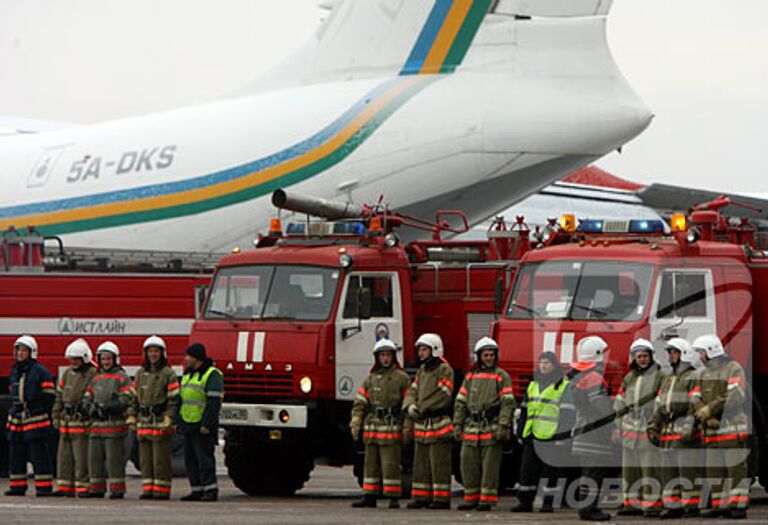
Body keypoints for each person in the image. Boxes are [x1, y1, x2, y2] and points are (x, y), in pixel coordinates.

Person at [690, 334, 749, 519]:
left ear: (710, 351)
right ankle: (720, 505)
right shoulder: (702, 374)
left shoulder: (733, 368)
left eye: (701, 352)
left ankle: (738, 507)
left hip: (732, 429)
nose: (699, 356)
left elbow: (736, 394)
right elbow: (694, 396)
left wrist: (709, 410)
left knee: (735, 469)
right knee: (714, 470)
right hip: (711, 432)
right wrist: (705, 415)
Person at [453, 337, 515, 511]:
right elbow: (460, 403)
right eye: (485, 355)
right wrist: (457, 425)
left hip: (491, 427)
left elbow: (507, 403)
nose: (488, 358)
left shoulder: (501, 376)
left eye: (491, 355)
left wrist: (503, 425)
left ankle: (486, 500)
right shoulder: (470, 377)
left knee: (490, 468)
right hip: (471, 428)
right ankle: (471, 498)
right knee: (468, 464)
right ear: (478, 356)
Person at [349, 338, 411, 509]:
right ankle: (370, 496)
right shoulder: (371, 379)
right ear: (377, 357)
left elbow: (407, 404)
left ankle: (393, 497)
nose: (385, 358)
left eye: (388, 355)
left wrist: (406, 428)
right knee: (370, 465)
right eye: (382, 355)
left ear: (393, 357)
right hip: (372, 429)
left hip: (391, 429)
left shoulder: (402, 378)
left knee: (390, 464)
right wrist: (356, 422)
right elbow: (360, 403)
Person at [512, 350, 575, 513]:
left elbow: (567, 412)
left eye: (547, 363)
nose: (544, 366)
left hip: (551, 436)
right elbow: (525, 411)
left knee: (551, 472)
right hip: (531, 435)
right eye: (541, 362)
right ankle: (525, 502)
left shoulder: (564, 386)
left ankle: (548, 503)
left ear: (554, 366)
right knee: (527, 471)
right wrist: (520, 431)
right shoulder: (533, 385)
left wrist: (562, 434)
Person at [647, 338, 702, 519]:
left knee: (687, 471)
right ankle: (673, 506)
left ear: (684, 354)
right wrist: (653, 425)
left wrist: (689, 427)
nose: (670, 356)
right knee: (668, 472)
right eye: (670, 353)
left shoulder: (693, 377)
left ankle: (692, 507)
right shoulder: (668, 379)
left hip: (683, 431)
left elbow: (695, 405)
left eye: (674, 353)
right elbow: (659, 404)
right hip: (667, 433)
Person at [402, 333, 454, 509]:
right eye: (420, 350)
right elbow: (412, 391)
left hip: (438, 423)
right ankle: (421, 497)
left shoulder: (444, 370)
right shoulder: (422, 371)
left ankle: (441, 499)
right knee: (421, 464)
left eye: (424, 349)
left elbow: (443, 395)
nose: (421, 353)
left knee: (439, 463)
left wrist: (421, 408)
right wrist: (410, 405)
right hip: (422, 425)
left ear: (435, 350)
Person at [614, 338, 664, 517]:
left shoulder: (659, 375)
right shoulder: (629, 377)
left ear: (651, 357)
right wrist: (618, 426)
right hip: (629, 431)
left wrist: (655, 423)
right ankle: (631, 503)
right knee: (630, 469)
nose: (642, 359)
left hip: (647, 429)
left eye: (645, 356)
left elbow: (662, 401)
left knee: (649, 468)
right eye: (639, 356)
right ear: (633, 358)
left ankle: (652, 504)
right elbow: (619, 402)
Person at [569, 336, 615, 521]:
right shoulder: (594, 377)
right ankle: (589, 509)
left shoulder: (578, 377)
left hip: (582, 432)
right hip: (594, 435)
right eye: (603, 354)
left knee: (588, 473)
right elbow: (601, 408)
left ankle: (587, 507)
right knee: (594, 473)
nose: (606, 357)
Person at [4, 335, 56, 497]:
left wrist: (37, 409)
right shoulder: (15, 370)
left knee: (39, 454)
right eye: (18, 350)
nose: (20, 353)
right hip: (17, 417)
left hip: (35, 418)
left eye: (24, 350)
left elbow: (49, 395)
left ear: (32, 352)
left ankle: (44, 488)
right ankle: (17, 487)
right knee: (16, 453)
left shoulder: (40, 371)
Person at [82, 341, 134, 499]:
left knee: (114, 461)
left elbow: (126, 397)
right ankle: (96, 488)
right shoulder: (96, 377)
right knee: (94, 460)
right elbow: (87, 396)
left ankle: (117, 489)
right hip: (96, 426)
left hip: (114, 425)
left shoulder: (122, 377)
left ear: (115, 359)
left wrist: (109, 406)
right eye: (103, 359)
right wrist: (89, 407)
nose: (105, 362)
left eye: (108, 359)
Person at [132, 335, 180, 500]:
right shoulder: (140, 373)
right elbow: (133, 397)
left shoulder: (168, 373)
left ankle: (161, 490)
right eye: (150, 351)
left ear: (162, 353)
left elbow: (174, 399)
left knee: (160, 459)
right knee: (145, 460)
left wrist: (169, 417)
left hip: (160, 422)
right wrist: (132, 416)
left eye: (156, 351)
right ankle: (148, 489)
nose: (153, 354)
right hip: (144, 422)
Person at [177, 343, 223, 502]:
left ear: (196, 358)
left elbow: (213, 403)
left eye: (188, 356)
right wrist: (179, 421)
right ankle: (196, 489)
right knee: (190, 460)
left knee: (204, 459)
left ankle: (210, 489)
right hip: (188, 423)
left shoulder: (212, 374)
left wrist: (207, 424)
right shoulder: (188, 374)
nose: (185, 359)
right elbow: (181, 399)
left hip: (202, 425)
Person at [52, 338, 97, 497]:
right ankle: (64, 486)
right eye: (72, 359)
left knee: (81, 457)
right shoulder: (67, 373)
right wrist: (56, 414)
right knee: (64, 457)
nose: (74, 362)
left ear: (85, 358)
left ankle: (82, 487)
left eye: (77, 359)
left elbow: (92, 395)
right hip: (66, 422)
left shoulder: (92, 373)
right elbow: (59, 395)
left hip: (81, 421)